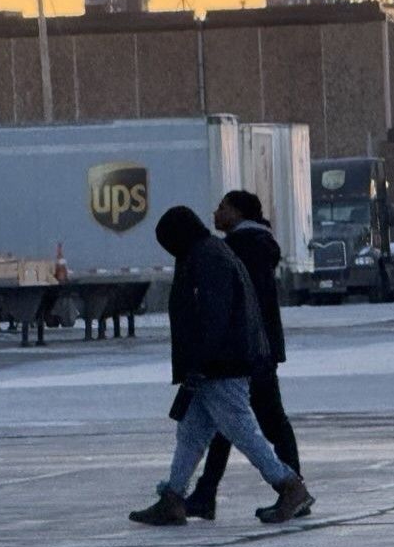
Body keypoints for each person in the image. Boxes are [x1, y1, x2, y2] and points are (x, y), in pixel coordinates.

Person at [129, 206, 313, 526]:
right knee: (190, 433)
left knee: (241, 430)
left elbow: (215, 314)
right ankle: (173, 497)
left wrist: (200, 361)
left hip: (220, 365)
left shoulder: (208, 258)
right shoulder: (206, 253)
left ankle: (289, 486)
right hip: (211, 365)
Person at [184, 190, 302, 520]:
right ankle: (207, 492)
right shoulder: (257, 245)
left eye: (222, 206)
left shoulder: (238, 248)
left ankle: (293, 487)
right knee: (237, 419)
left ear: (238, 212)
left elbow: (233, 303)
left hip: (248, 348)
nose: (216, 212)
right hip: (259, 346)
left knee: (253, 419)